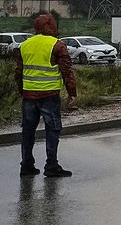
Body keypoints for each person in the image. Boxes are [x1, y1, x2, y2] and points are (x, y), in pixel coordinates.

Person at [14, 13, 77, 178]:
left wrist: (22, 91)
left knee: (28, 130)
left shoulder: (25, 45)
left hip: (28, 95)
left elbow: (18, 73)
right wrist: (72, 93)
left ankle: (26, 165)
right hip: (49, 95)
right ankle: (51, 165)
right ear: (51, 27)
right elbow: (67, 72)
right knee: (53, 129)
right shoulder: (57, 45)